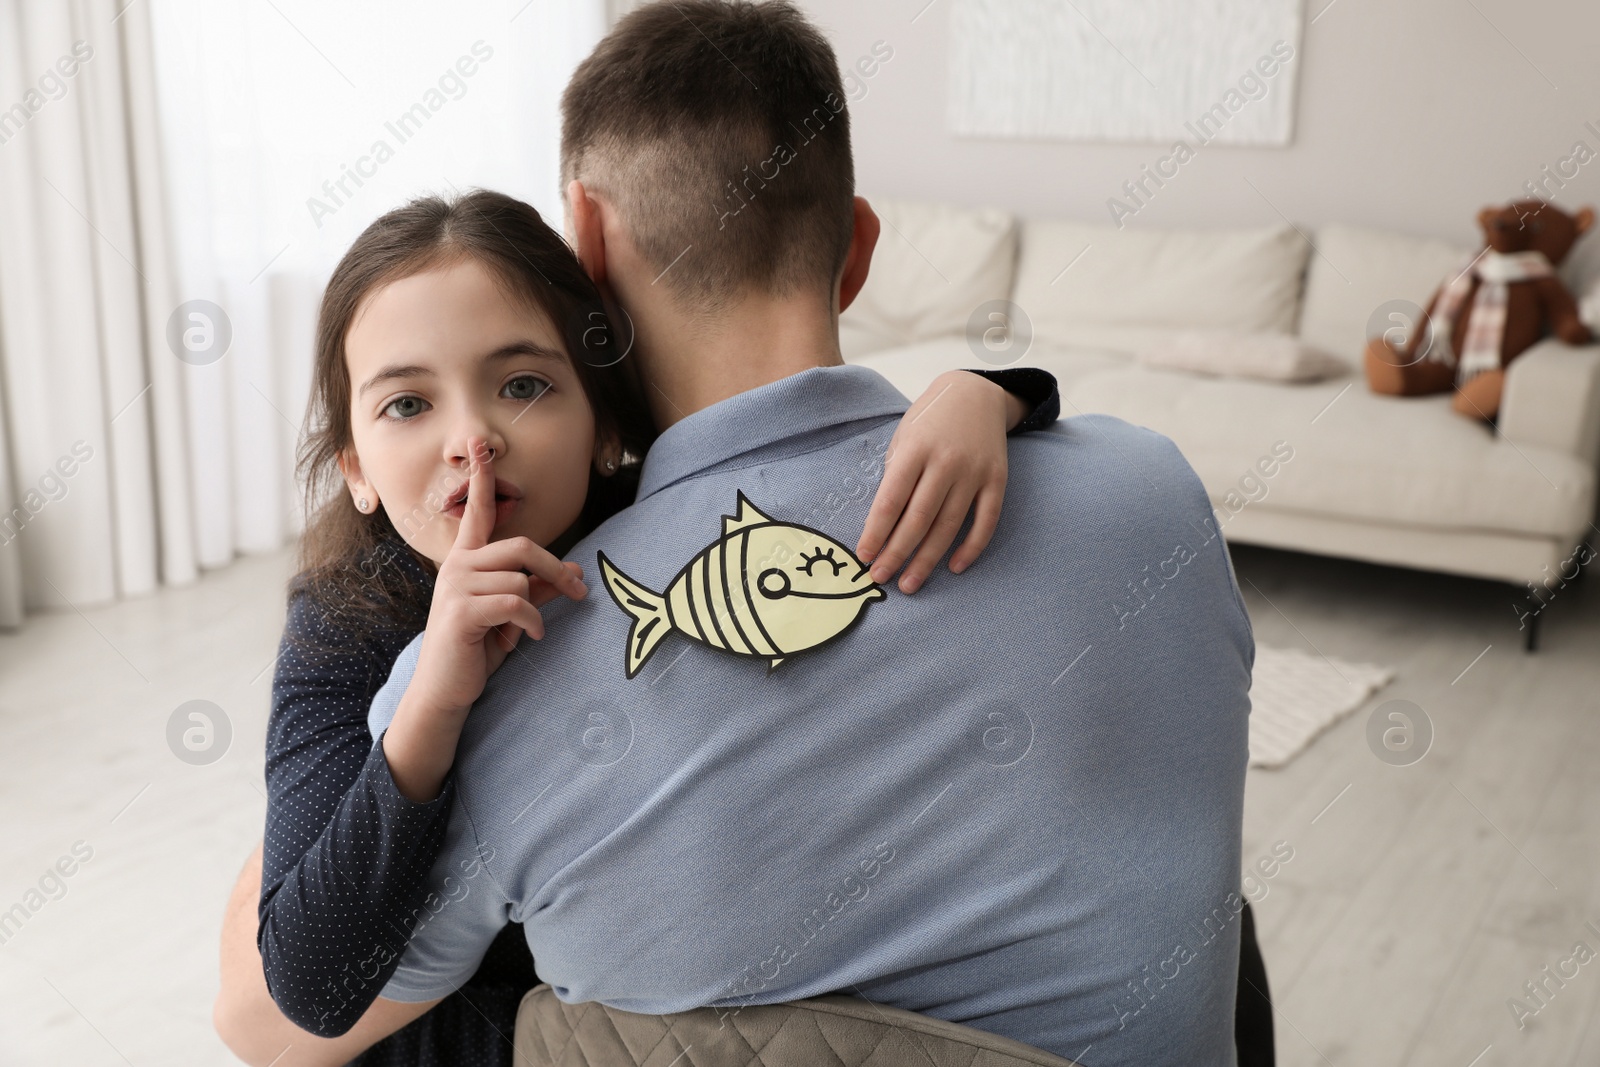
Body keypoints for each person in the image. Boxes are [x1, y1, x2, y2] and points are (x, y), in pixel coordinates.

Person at [286, 3, 1260, 1066]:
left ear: (589, 244)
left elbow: (296, 1011)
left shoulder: (512, 663)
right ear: (859, 244)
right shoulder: (1155, 493)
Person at [210, 187, 1060, 1065]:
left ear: (604, 421)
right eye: (406, 405)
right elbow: (307, 991)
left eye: (523, 384)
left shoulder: (651, 526)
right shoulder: (342, 620)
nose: (473, 438)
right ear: (355, 468)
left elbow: (824, 469)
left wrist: (985, 394)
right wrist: (430, 704)